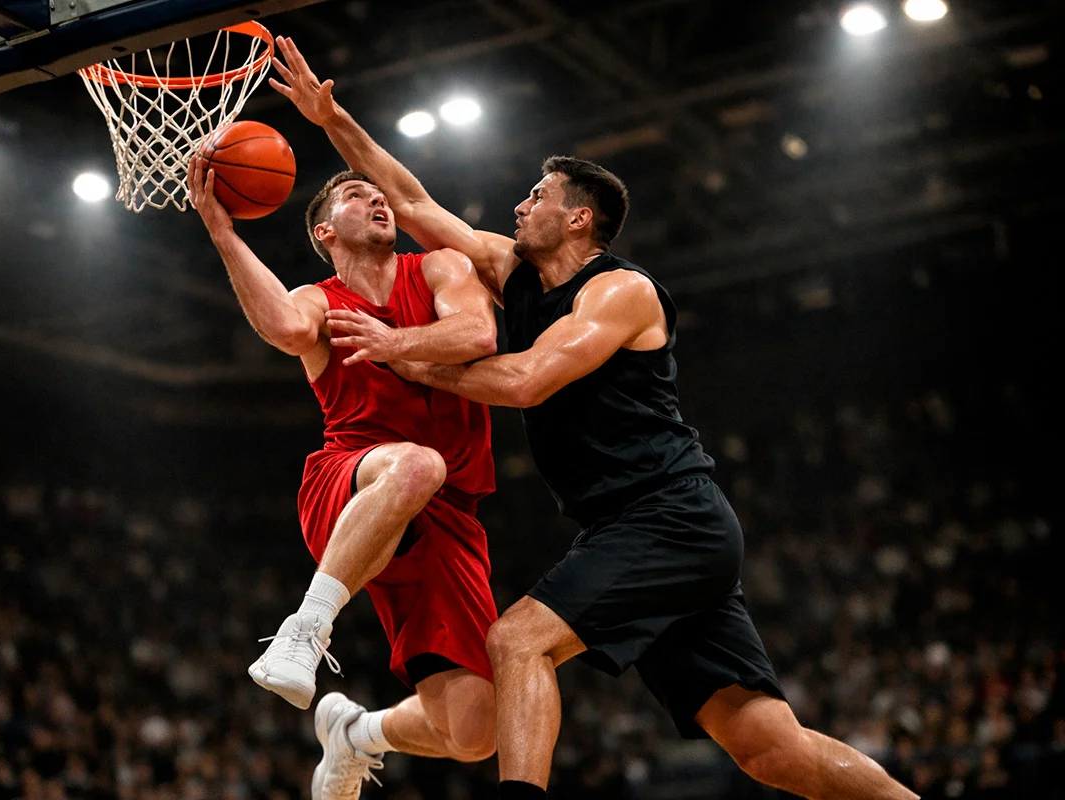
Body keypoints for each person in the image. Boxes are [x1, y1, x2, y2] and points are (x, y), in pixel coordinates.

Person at [269, 35, 920, 800]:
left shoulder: (620, 291)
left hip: (668, 516)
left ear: (578, 218)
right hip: (631, 529)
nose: (519, 206)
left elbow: (526, 380)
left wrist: (404, 354)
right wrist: (332, 120)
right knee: (768, 747)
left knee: (517, 641)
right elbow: (413, 204)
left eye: (537, 197)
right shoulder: (514, 273)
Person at [185, 153, 500, 799]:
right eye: (357, 195)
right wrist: (221, 231)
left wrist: (392, 343)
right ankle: (304, 629)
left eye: (380, 195)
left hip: (447, 517)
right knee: (418, 462)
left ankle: (358, 733)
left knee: (474, 733)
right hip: (351, 477)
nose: (378, 200)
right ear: (324, 231)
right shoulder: (320, 300)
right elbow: (284, 327)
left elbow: (477, 334)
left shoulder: (438, 267)